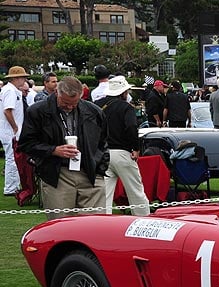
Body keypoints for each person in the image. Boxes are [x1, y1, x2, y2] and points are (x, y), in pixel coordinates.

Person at [19, 76, 107, 220]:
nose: (70, 107)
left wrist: (100, 168)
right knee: (61, 226)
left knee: (93, 226)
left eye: (74, 103)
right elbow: (26, 143)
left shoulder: (94, 111)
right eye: (66, 102)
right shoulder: (38, 111)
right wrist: (53, 150)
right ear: (56, 93)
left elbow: (103, 142)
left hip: (90, 173)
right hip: (57, 174)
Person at [101, 76, 149, 217]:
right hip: (123, 152)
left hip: (105, 152)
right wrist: (136, 148)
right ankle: (143, 218)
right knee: (135, 190)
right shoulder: (126, 108)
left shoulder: (99, 106)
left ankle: (102, 221)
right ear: (123, 92)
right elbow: (131, 127)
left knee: (105, 193)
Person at [1, 66, 29, 196]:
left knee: (14, 158)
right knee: (12, 158)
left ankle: (14, 185)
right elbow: (7, 110)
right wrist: (15, 127)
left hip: (11, 130)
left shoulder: (11, 90)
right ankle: (10, 188)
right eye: (23, 77)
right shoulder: (10, 91)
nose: (24, 80)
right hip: (10, 131)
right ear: (16, 78)